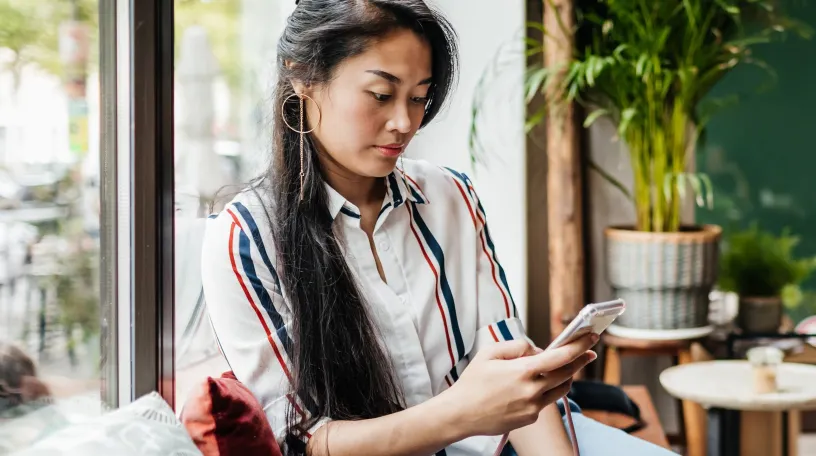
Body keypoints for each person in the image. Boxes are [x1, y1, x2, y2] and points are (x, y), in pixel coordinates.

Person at [200, 1, 675, 456]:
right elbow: (302, 441)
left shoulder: (452, 195)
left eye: (419, 98)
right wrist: (462, 414)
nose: (404, 122)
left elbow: (508, 357)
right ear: (302, 76)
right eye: (381, 95)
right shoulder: (247, 238)